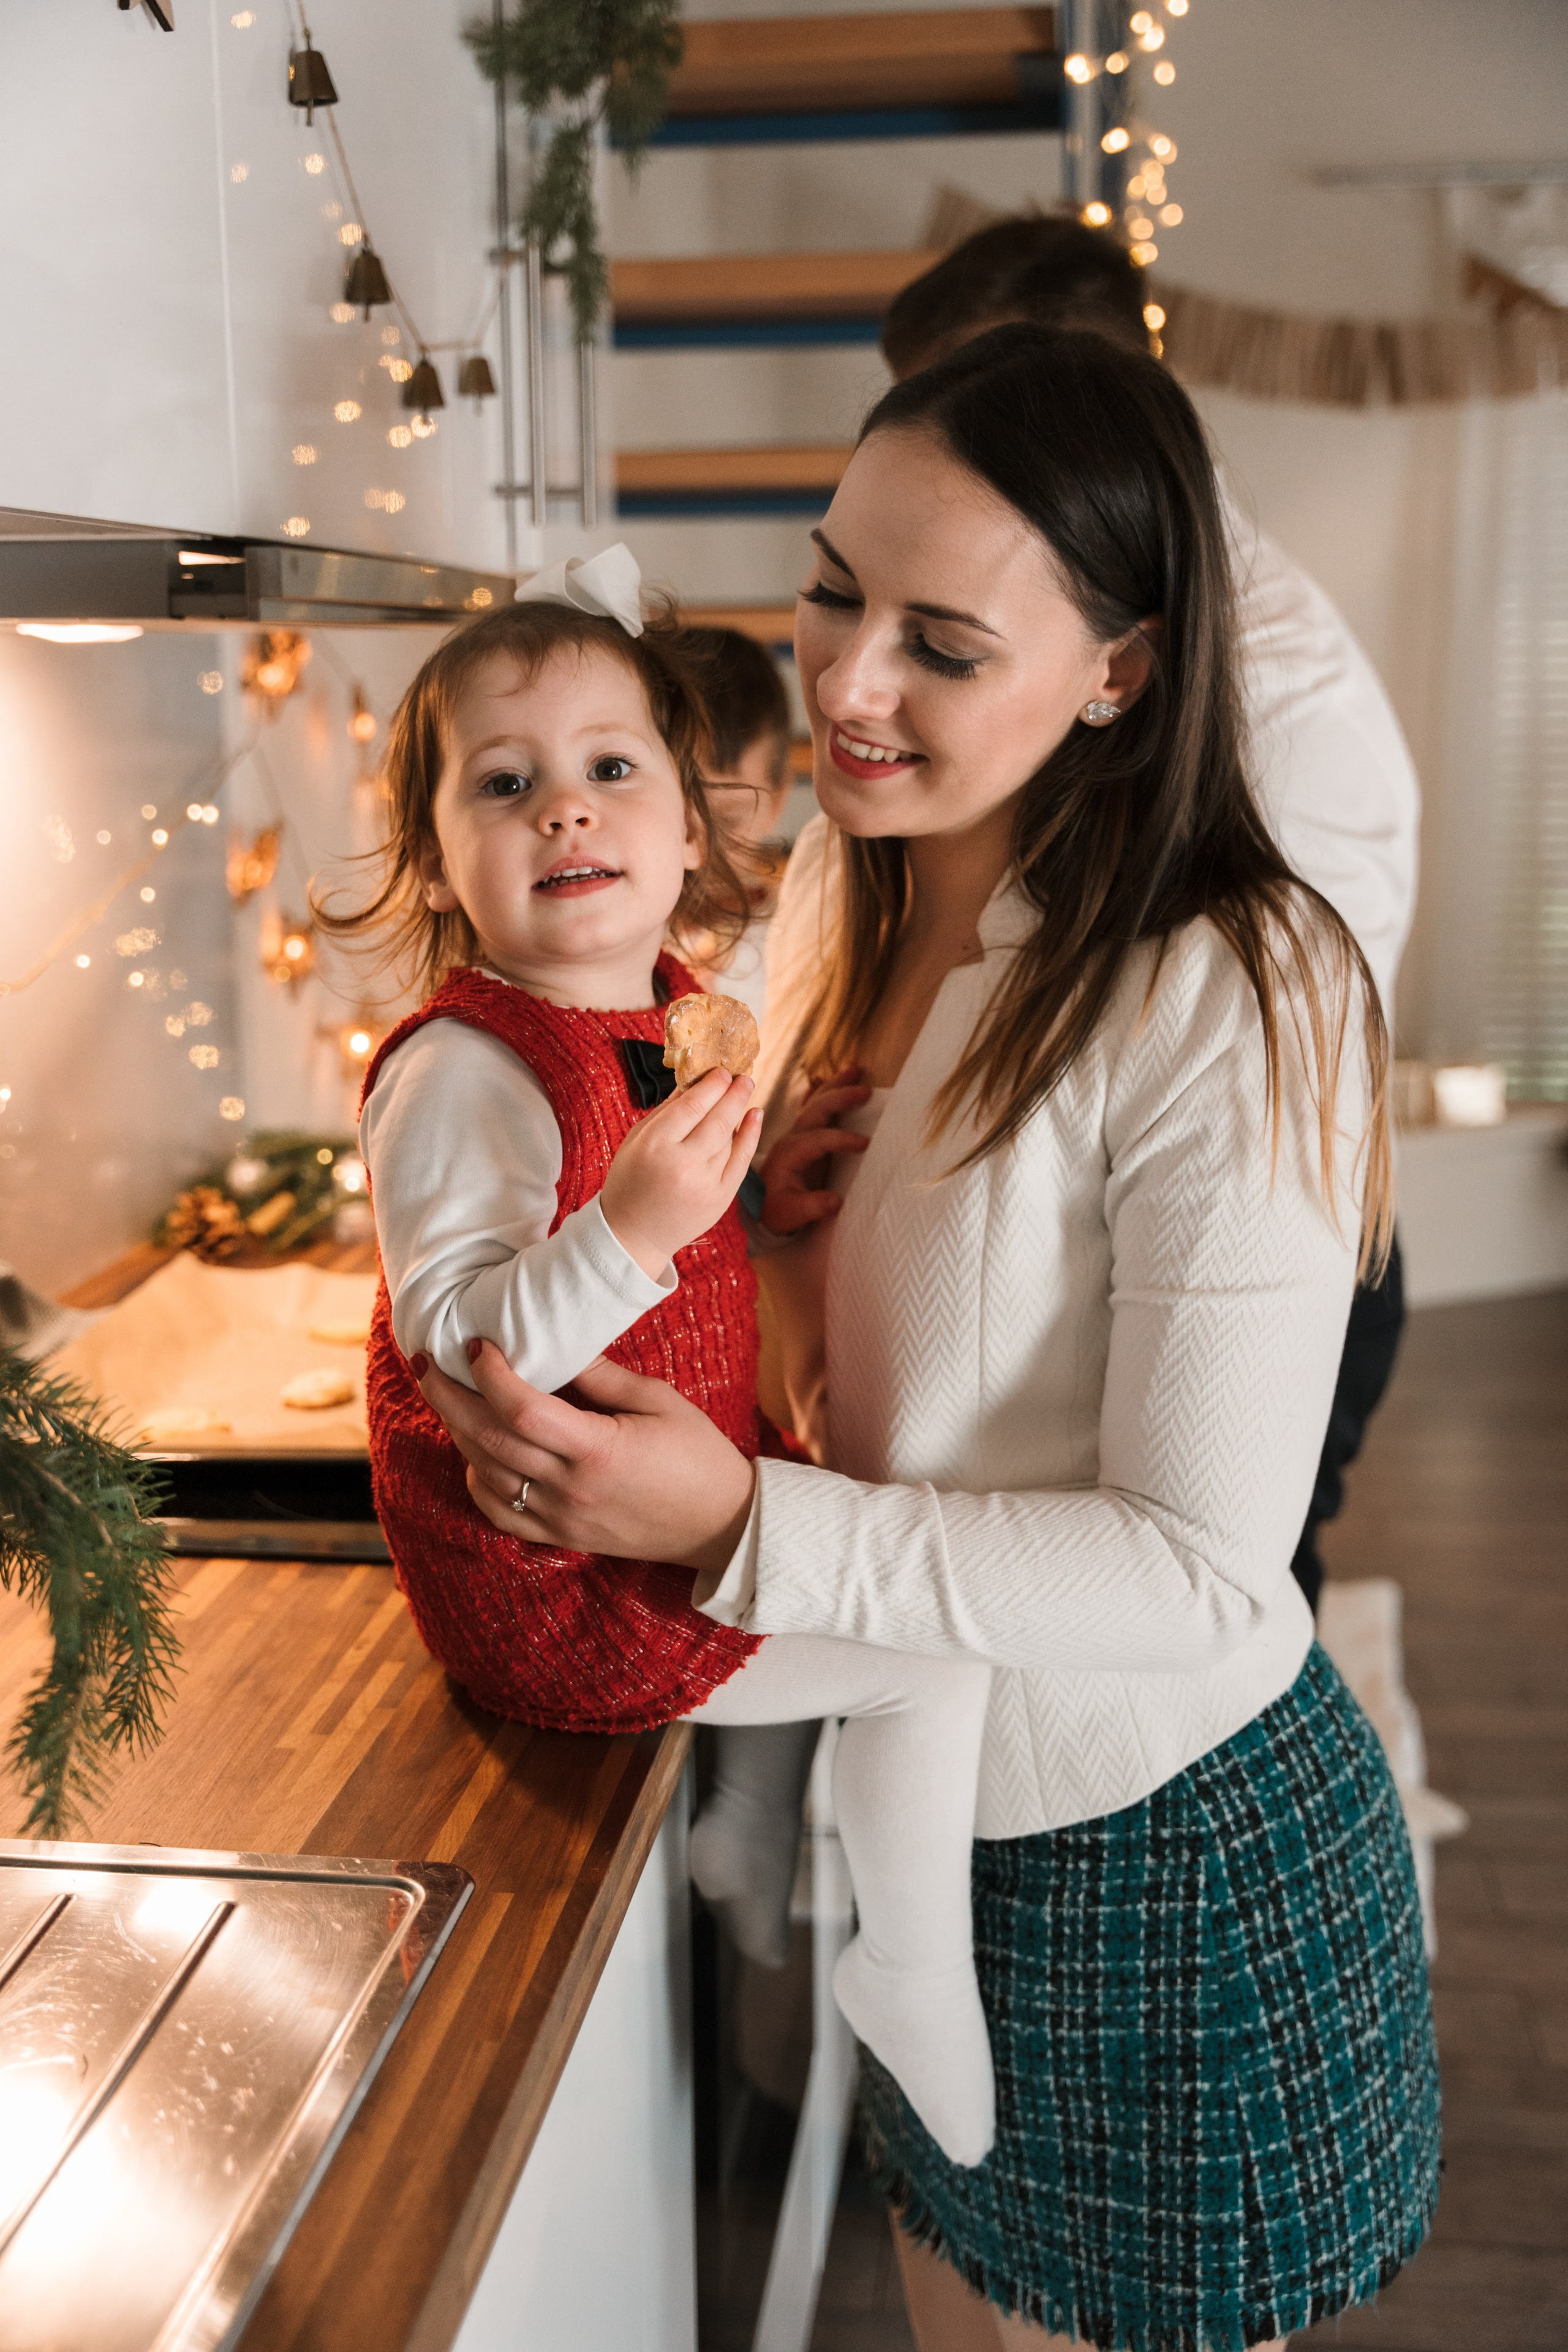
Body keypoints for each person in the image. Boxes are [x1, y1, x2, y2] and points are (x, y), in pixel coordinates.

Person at [415, 328, 1441, 2350]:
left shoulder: (1234, 984)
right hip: (930, 1855)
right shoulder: (839, 906)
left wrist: (735, 1526)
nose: (849, 685)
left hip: (1170, 1870)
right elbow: (877, 1386)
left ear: (1120, 669)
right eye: (828, 592)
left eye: (942, 646)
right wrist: (771, 1267)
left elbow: (1191, 1561)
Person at [323, 554, 996, 2168]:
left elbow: (671, 1225)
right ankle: (911, 1970)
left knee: (831, 1511)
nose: (567, 810)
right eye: (507, 783)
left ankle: (752, 1816)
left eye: (609, 768)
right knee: (940, 1645)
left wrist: (760, 1189)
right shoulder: (467, 1069)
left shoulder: (671, 1007)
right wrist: (635, 1226)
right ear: (434, 860)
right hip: (557, 1584)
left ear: (692, 830)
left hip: (656, 1511)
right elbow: (464, 1343)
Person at [881, 214, 1420, 1613]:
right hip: (1124, 1217)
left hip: (1252, 1241)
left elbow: (1257, 1091)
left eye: (987, 407)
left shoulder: (1283, 707)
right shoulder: (1012, 635)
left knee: (1218, 1629)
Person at [671, 622, 794, 1020]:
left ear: (779, 797)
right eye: (675, 816)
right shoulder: (609, 940)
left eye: (729, 821)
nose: (697, 848)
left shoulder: (800, 944)